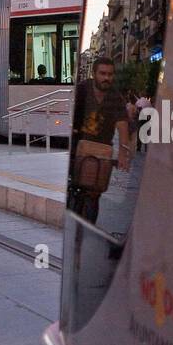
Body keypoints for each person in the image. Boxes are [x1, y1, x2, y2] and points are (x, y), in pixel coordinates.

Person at [67, 57, 130, 223]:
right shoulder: (82, 90)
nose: (106, 78)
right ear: (94, 73)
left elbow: (123, 124)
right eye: (102, 73)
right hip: (78, 148)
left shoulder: (115, 97)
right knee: (73, 189)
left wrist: (124, 152)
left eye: (110, 74)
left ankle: (89, 228)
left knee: (95, 194)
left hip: (102, 152)